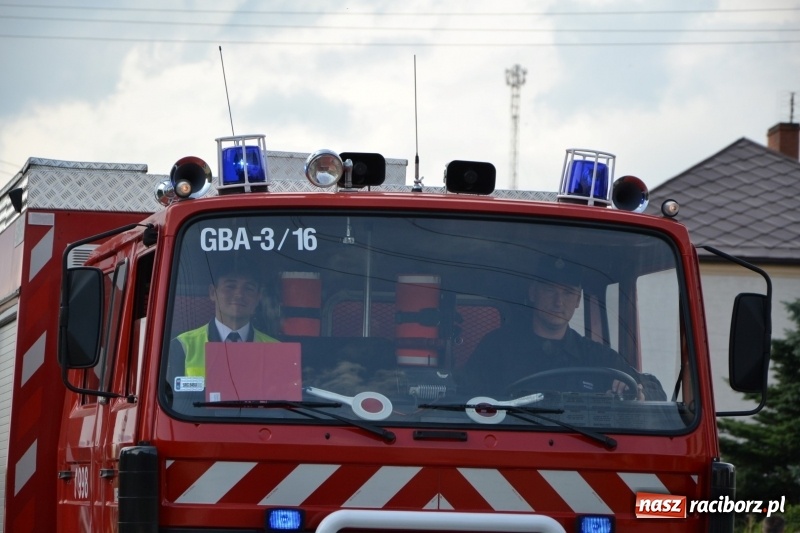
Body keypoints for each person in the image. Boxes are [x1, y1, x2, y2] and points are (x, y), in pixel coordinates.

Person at [463, 257, 666, 400]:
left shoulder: (595, 356)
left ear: (578, 300)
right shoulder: (496, 348)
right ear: (533, 293)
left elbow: (654, 389)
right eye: (550, 290)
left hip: (581, 451)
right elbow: (463, 396)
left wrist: (640, 392)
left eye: (568, 293)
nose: (558, 302)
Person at [167, 263, 279, 389]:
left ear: (258, 297)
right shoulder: (182, 346)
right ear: (212, 293)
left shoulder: (276, 350)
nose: (239, 294)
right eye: (230, 286)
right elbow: (173, 401)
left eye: (248, 288)